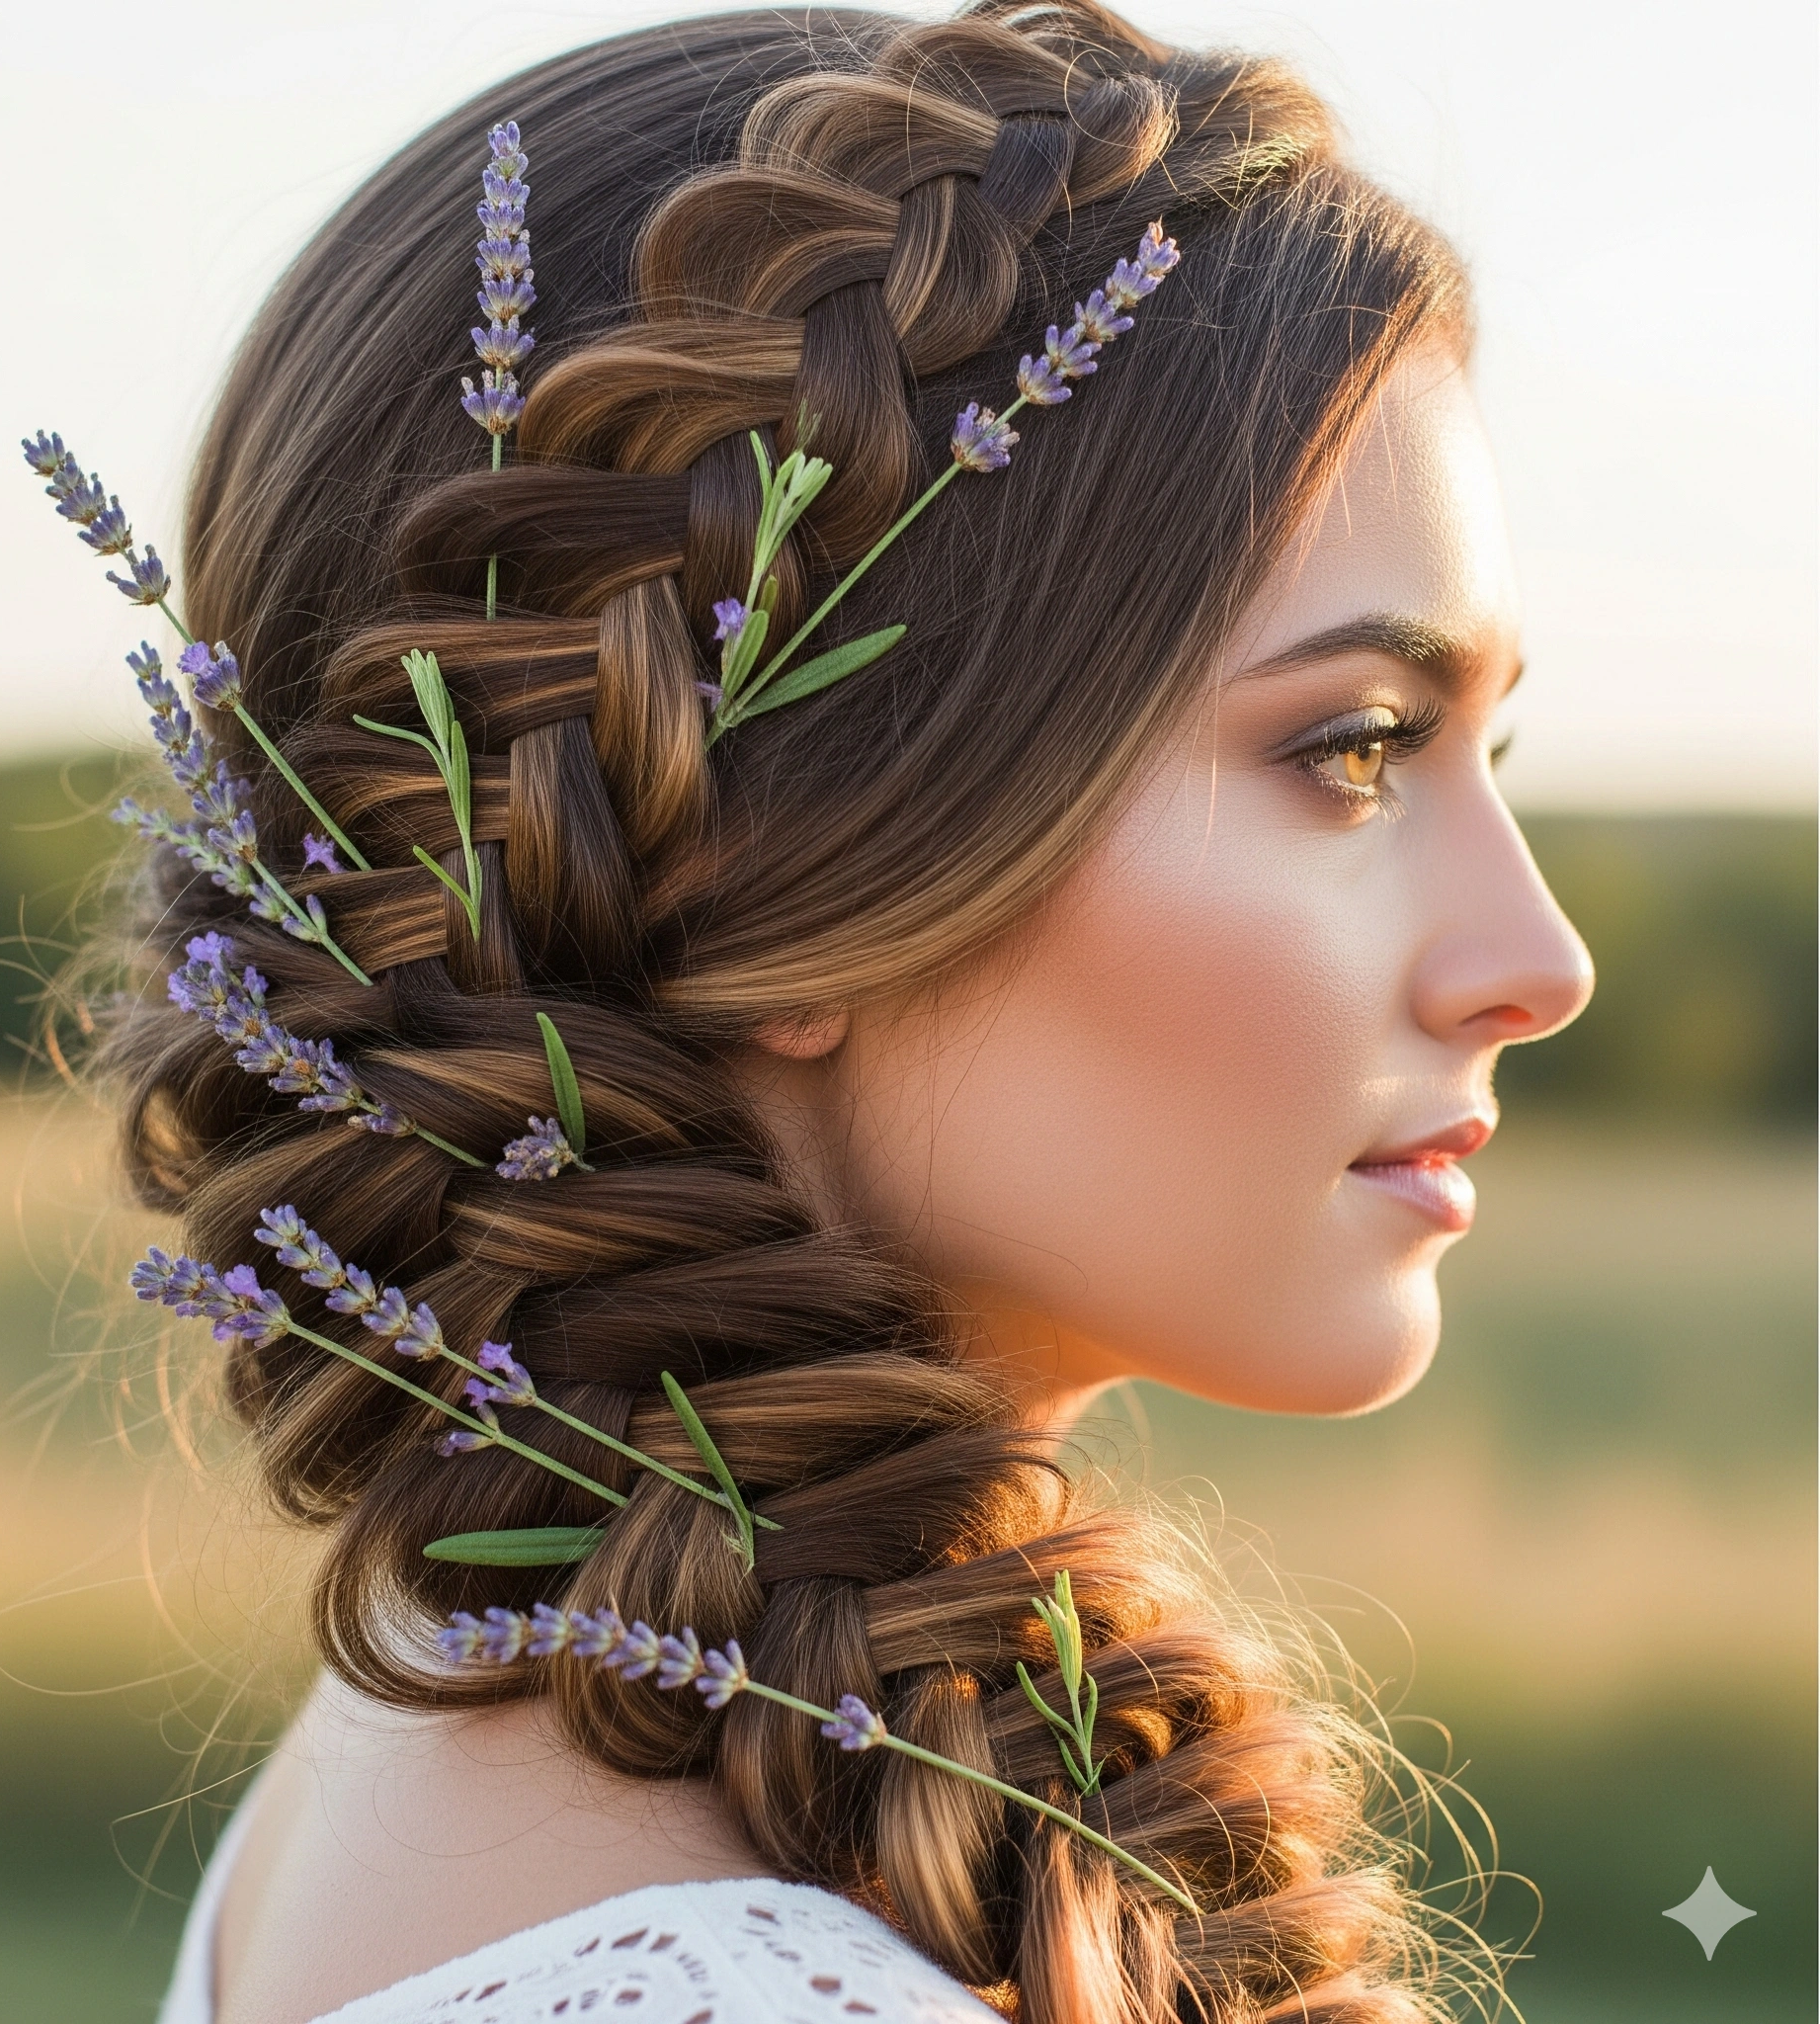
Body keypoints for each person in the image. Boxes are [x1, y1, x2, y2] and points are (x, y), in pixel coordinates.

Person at [118, 5, 1594, 2018]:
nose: (1538, 958)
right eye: (1348, 747)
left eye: (1482, 751)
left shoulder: (455, 1730)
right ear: (767, 854)